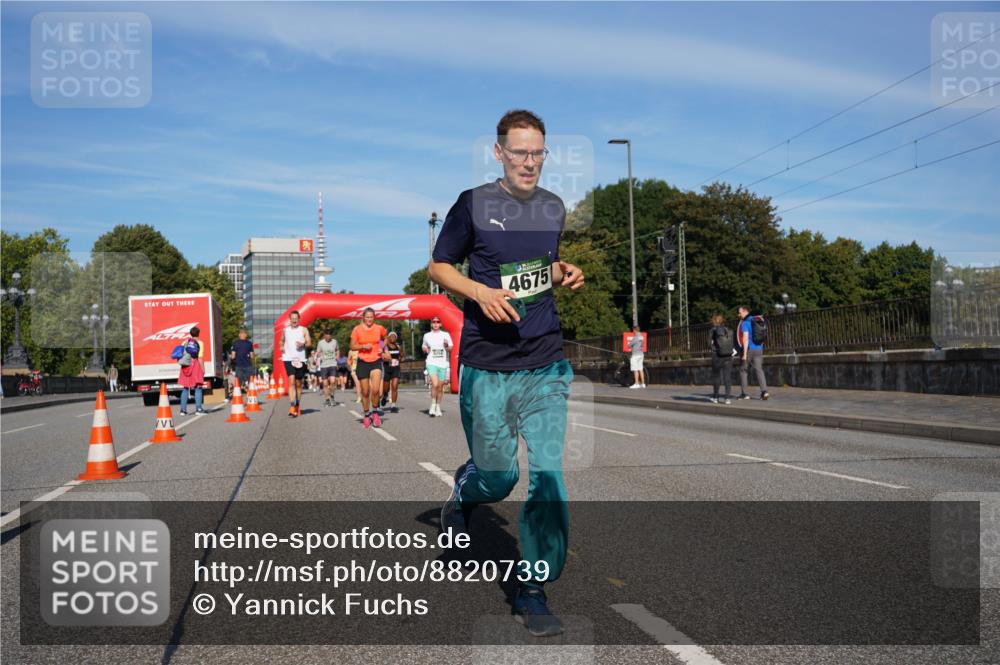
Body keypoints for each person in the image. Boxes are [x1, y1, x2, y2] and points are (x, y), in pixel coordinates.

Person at [429, 109, 585, 637]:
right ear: (499, 152)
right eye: (519, 151)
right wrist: (478, 292)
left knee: (548, 476)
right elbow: (440, 265)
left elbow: (546, 263)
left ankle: (532, 586)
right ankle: (464, 494)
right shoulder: (472, 204)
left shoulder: (553, 206)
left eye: (537, 152)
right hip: (487, 364)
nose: (529, 162)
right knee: (498, 476)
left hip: (545, 362)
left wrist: (566, 272)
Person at [350, 308, 387, 429]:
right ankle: (366, 414)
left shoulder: (379, 328)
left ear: (374, 317)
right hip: (362, 362)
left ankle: (375, 412)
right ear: (363, 317)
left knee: (376, 390)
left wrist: (382, 347)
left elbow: (385, 338)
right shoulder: (357, 329)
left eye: (371, 317)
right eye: (367, 317)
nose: (369, 319)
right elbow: (352, 346)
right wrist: (363, 346)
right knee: (365, 392)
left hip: (376, 360)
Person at [279, 310, 312, 417]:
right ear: (290, 319)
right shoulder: (285, 330)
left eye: (296, 318)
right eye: (292, 318)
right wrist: (281, 346)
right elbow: (281, 341)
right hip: (288, 358)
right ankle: (292, 405)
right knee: (291, 380)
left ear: (299, 319)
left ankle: (297, 404)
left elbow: (309, 343)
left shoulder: (304, 330)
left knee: (298, 384)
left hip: (301, 359)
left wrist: (303, 344)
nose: (294, 320)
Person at [421, 318, 453, 417]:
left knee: (440, 387)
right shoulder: (427, 335)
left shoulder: (445, 335)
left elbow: (451, 348)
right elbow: (423, 346)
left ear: (440, 324)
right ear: (431, 324)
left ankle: (438, 406)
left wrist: (446, 346)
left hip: (443, 363)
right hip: (431, 362)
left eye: (437, 322)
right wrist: (425, 349)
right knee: (434, 383)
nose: (435, 324)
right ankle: (433, 405)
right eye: (433, 322)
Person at [737, 306, 770, 401]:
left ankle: (745, 394)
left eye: (740, 312)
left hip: (749, 349)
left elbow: (745, 338)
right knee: (759, 370)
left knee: (743, 370)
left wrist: (744, 354)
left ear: (745, 311)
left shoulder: (745, 322)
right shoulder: (756, 319)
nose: (739, 314)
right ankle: (764, 391)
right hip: (759, 348)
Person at [178, 326, 205, 415]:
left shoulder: (184, 342)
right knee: (198, 387)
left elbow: (180, 354)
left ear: (191, 333)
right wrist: (203, 369)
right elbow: (200, 357)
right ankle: (198, 409)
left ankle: (183, 410)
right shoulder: (200, 343)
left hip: (185, 366)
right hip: (195, 365)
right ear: (198, 333)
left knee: (185, 387)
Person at [709, 314, 734, 404]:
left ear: (714, 321)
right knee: (727, 377)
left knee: (717, 376)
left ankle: (716, 397)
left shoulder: (713, 330)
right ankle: (727, 398)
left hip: (717, 355)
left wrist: (714, 348)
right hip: (728, 355)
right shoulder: (728, 329)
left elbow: (709, 343)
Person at [380, 331, 404, 412]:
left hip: (396, 368)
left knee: (394, 386)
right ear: (389, 338)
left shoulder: (398, 346)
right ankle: (385, 396)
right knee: (385, 388)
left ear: (396, 338)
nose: (393, 337)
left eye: (394, 336)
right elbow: (382, 356)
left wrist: (400, 358)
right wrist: (388, 359)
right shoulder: (385, 347)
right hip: (387, 368)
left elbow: (402, 356)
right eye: (391, 336)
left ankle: (393, 406)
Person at [317, 330, 339, 407]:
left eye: (330, 335)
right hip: (324, 365)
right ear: (324, 336)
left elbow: (337, 350)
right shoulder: (320, 343)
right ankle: (327, 399)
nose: (328, 336)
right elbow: (318, 352)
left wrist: (337, 357)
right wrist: (320, 355)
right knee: (325, 384)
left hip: (333, 364)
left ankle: (332, 396)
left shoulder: (334, 342)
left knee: (333, 381)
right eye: (327, 335)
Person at [230, 328, 255, 393]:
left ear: (239, 335)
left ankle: (237, 397)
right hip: (248, 365)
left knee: (238, 383)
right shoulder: (249, 343)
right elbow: (252, 356)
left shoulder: (235, 343)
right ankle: (251, 396)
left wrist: (232, 360)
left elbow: (233, 356)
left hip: (239, 366)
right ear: (246, 335)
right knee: (250, 382)